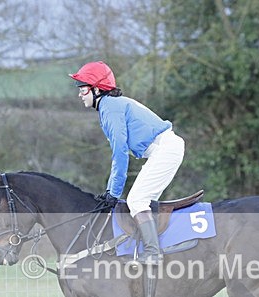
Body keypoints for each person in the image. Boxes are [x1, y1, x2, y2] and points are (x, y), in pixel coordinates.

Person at [69, 61, 185, 266]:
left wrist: (113, 193)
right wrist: (110, 191)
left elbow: (120, 153)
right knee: (141, 202)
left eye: (83, 88)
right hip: (165, 149)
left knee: (137, 201)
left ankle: (153, 253)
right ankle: (151, 249)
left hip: (165, 149)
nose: (80, 94)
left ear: (97, 89)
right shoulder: (109, 106)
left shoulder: (110, 107)